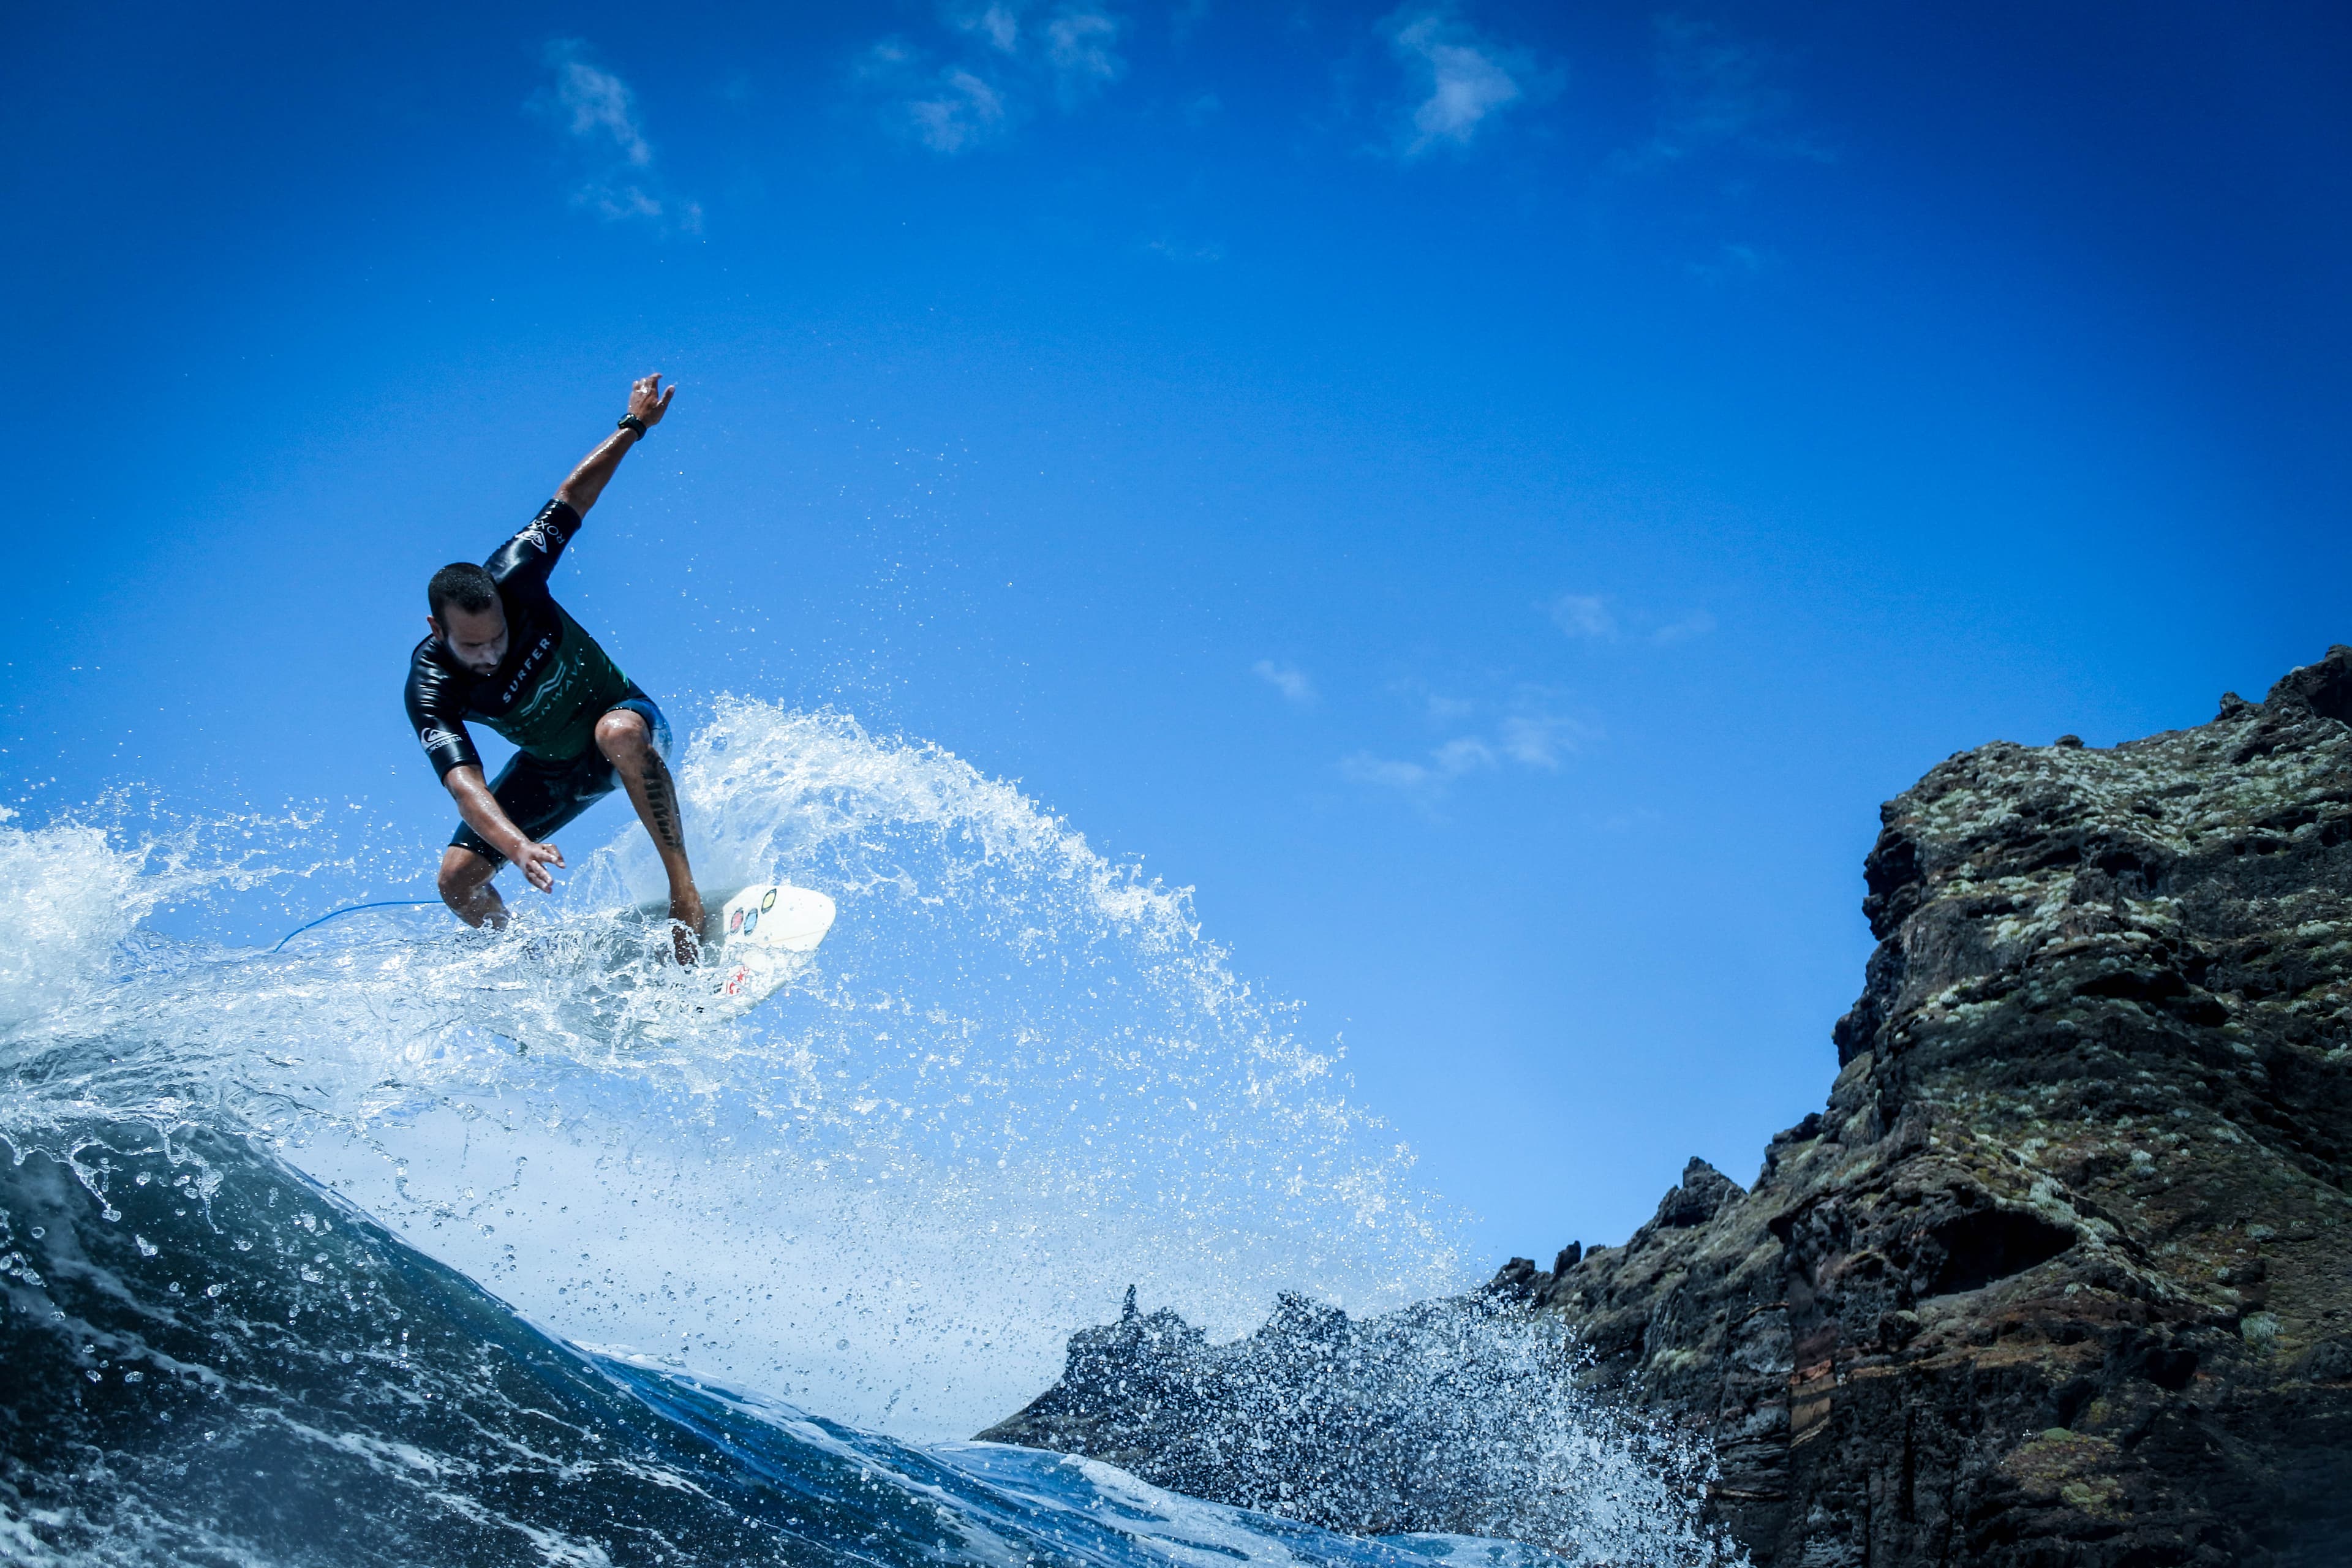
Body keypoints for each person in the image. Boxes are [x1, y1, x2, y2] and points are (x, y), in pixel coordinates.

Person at [404, 372, 704, 960]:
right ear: (437, 630)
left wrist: (633, 425)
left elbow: (573, 496)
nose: (491, 654)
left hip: (631, 726)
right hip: (554, 770)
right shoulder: (431, 686)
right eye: (473, 647)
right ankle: (536, 968)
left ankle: (684, 895)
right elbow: (464, 784)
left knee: (615, 732)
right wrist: (517, 847)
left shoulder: (518, 572)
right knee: (457, 882)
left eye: (498, 637)